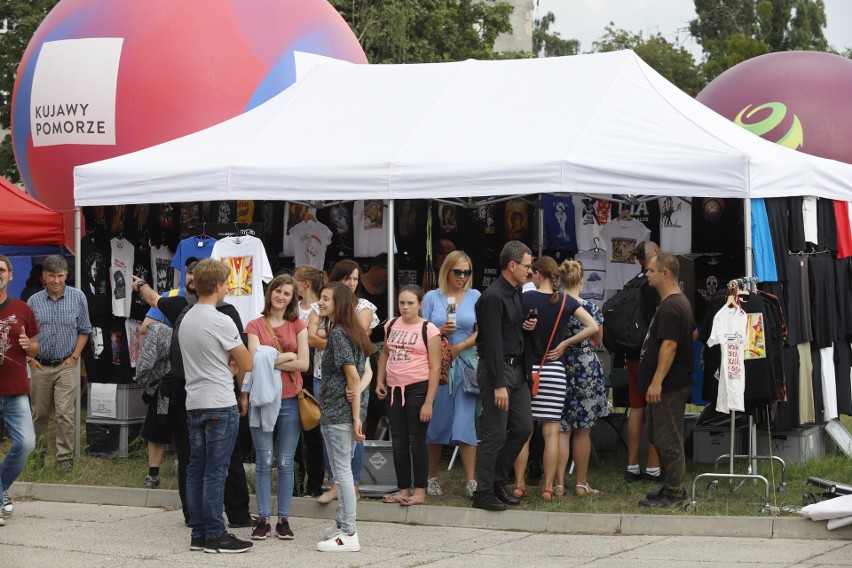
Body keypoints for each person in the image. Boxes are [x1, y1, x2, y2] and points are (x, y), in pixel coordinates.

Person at [132, 262, 255, 529]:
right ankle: (234, 517)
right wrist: (241, 391)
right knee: (224, 460)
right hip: (217, 394)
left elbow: (153, 298)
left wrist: (140, 285)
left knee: (191, 461)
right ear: (219, 286)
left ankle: (194, 518)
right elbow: (245, 362)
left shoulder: (182, 311)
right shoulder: (226, 315)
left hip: (184, 393)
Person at [178, 259, 254, 553]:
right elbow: (246, 363)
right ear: (219, 286)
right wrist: (232, 362)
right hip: (220, 401)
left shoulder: (187, 318)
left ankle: (199, 532)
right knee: (215, 470)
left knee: (196, 468)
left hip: (194, 400)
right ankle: (215, 533)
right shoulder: (221, 319)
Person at [512, 257, 598, 501]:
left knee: (524, 433)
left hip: (529, 371)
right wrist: (565, 344)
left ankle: (519, 484)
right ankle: (549, 488)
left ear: (538, 274)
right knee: (551, 434)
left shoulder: (524, 298)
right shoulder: (566, 301)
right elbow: (592, 326)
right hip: (555, 372)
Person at [471, 241, 537, 511]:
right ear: (512, 265)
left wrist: (528, 326)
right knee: (495, 433)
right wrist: (498, 383)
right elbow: (493, 343)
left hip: (518, 369)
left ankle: (496, 479)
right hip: (497, 369)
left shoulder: (516, 292)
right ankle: (483, 491)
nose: (530, 271)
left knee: (523, 427)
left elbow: (512, 332)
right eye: (526, 266)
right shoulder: (493, 296)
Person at [244, 274, 309, 541]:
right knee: (264, 461)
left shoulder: (299, 325)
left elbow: (304, 364)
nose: (281, 297)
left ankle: (283, 518)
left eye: (287, 293)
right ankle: (262, 518)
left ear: (293, 298)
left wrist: (269, 358)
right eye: (277, 291)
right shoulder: (254, 325)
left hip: (291, 399)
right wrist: (287, 356)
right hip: (262, 399)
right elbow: (252, 361)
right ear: (270, 292)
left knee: (284, 461)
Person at [310, 259, 378, 504]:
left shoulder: (362, 309)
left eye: (355, 278)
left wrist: (357, 389)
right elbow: (309, 337)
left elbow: (358, 348)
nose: (351, 283)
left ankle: (351, 487)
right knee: (330, 434)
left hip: (352, 383)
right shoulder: (324, 307)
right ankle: (337, 485)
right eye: (347, 278)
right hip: (323, 375)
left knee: (352, 433)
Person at [315, 281, 374, 552]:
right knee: (344, 471)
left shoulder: (339, 334)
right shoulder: (354, 332)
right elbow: (365, 373)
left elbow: (353, 375)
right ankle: (341, 524)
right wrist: (358, 413)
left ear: (339, 302)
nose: (321, 303)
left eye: (326, 299)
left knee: (342, 474)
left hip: (339, 412)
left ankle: (349, 532)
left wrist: (355, 417)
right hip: (346, 410)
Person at [637, 253, 696, 508]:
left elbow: (670, 345)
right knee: (658, 434)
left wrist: (657, 381)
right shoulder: (674, 302)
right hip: (669, 383)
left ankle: (674, 493)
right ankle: (672, 486)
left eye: (650, 270)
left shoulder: (672, 306)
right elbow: (691, 334)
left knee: (668, 437)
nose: (646, 274)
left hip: (670, 385)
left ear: (666, 273)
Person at [375, 284, 441, 506]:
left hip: (418, 388)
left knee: (417, 441)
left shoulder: (429, 329)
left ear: (420, 305)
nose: (405, 307)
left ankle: (420, 491)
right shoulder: (391, 324)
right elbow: (384, 353)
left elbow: (435, 367)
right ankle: (404, 489)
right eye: (401, 303)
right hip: (394, 389)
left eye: (410, 303)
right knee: (398, 441)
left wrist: (429, 402)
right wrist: (379, 381)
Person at [422, 250, 480, 498]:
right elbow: (420, 329)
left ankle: (471, 480)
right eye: (458, 272)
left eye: (467, 272)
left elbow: (483, 330)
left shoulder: (476, 296)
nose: (463, 277)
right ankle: (432, 476)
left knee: (466, 421)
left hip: (466, 364)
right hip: (439, 365)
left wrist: (461, 346)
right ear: (446, 270)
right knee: (437, 420)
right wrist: (438, 330)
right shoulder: (432, 297)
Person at [27, 255, 91, 471]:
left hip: (66, 364)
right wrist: (29, 358)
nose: (56, 281)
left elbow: (84, 330)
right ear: (43, 277)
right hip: (40, 365)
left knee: (66, 413)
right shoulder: (33, 301)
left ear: (67, 275)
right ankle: (38, 456)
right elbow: (24, 334)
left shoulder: (78, 297)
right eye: (51, 276)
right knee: (39, 414)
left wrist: (74, 357)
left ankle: (64, 460)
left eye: (60, 276)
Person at [556, 259, 608, 496]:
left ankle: (557, 483)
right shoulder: (591, 308)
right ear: (582, 280)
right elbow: (598, 339)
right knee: (583, 429)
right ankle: (580, 483)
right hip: (585, 367)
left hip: (559, 365)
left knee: (561, 428)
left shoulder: (554, 304)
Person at [0, 254, 39, 525]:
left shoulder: (23, 308)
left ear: (10, 275)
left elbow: (36, 346)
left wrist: (30, 346)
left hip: (15, 390)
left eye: (1, 269)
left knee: (26, 443)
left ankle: (0, 489)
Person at [624, 240, 663, 483]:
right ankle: (653, 468)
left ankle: (631, 467)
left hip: (631, 353)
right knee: (654, 409)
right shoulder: (653, 284)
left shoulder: (630, 284)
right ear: (655, 254)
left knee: (636, 408)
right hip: (651, 354)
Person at [293, 264, 326, 497]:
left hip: (311, 372)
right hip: (292, 372)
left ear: (305, 283)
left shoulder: (320, 308)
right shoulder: (292, 308)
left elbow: (319, 339)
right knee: (292, 429)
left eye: (294, 281)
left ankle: (314, 483)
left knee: (313, 427)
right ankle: (295, 481)